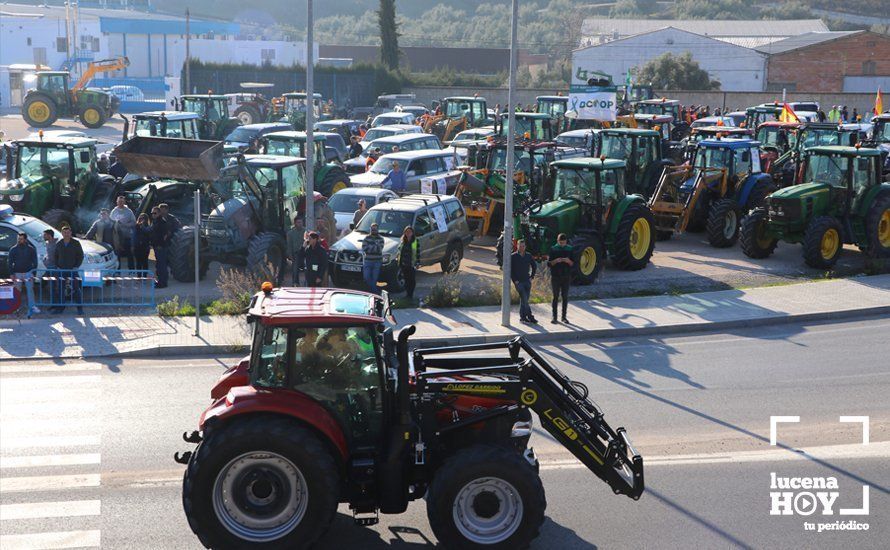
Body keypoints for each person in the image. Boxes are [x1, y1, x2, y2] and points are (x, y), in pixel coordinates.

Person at [53, 225, 84, 314]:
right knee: (60, 289)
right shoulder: (59, 243)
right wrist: (57, 266)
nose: (66, 234)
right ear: (62, 233)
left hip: (72, 270)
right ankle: (61, 308)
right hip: (61, 270)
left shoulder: (76, 243)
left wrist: (76, 266)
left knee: (76, 288)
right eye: (64, 233)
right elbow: (55, 256)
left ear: (70, 233)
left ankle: (80, 308)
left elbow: (80, 256)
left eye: (68, 232)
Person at [9, 232, 39, 314]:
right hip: (17, 273)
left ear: (25, 240)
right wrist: (11, 273)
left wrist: (33, 272)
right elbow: (10, 262)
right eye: (18, 239)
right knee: (17, 291)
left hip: (28, 272)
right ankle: (16, 307)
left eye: (21, 239)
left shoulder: (31, 249)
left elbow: (35, 262)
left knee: (30, 290)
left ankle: (32, 306)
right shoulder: (13, 249)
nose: (19, 240)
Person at [548, 234, 574, 324]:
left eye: (563, 243)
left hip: (566, 276)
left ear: (566, 241)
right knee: (555, 297)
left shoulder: (570, 249)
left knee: (565, 297)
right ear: (557, 241)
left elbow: (574, 264)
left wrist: (568, 261)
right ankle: (554, 317)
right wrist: (555, 261)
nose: (562, 244)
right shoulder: (553, 249)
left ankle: (564, 317)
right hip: (555, 276)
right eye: (560, 243)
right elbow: (549, 264)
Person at [510, 240, 537, 324]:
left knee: (524, 300)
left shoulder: (528, 256)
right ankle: (530, 316)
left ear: (525, 246)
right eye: (520, 246)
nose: (522, 248)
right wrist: (515, 280)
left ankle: (523, 317)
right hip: (519, 283)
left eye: (523, 246)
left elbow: (534, 265)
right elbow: (510, 270)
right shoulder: (513, 256)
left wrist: (532, 276)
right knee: (525, 299)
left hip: (527, 281)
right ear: (517, 246)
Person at [110, 195, 136, 269]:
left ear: (124, 202)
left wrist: (125, 224)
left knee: (129, 254)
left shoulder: (129, 211)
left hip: (127, 236)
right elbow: (111, 222)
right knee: (117, 254)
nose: (120, 203)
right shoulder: (114, 211)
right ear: (117, 202)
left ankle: (131, 270)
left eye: (122, 201)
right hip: (117, 237)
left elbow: (134, 222)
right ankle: (118, 270)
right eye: (119, 201)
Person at [361, 223, 385, 294]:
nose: (373, 230)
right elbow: (364, 248)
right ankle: (375, 292)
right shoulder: (366, 238)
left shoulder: (381, 239)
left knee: (375, 279)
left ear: (377, 229)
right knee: (366, 277)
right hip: (368, 261)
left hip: (377, 261)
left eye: (375, 229)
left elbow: (379, 249)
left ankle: (372, 293)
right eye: (372, 229)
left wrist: (370, 247)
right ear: (370, 229)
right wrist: (375, 246)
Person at [150, 206, 169, 288]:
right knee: (158, 265)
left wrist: (160, 245)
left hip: (160, 246)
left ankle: (163, 283)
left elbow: (165, 235)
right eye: (152, 213)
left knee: (162, 265)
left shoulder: (162, 222)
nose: (153, 215)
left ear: (159, 213)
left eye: (155, 213)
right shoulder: (155, 221)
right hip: (155, 246)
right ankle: (160, 281)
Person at [398, 226, 419, 300]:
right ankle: (407, 294)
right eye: (406, 232)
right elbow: (400, 252)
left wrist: (417, 263)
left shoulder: (415, 241)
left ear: (412, 233)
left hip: (411, 264)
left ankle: (411, 295)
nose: (408, 233)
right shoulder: (403, 241)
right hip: (404, 264)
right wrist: (399, 263)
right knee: (406, 280)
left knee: (412, 280)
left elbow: (418, 253)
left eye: (409, 232)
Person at [286, 216, 306, 285]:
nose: (300, 224)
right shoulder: (290, 233)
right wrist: (290, 255)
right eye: (298, 222)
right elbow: (289, 245)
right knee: (295, 269)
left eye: (301, 222)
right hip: (296, 253)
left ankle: (308, 283)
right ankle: (295, 283)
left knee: (308, 268)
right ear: (295, 223)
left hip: (305, 253)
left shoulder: (306, 232)